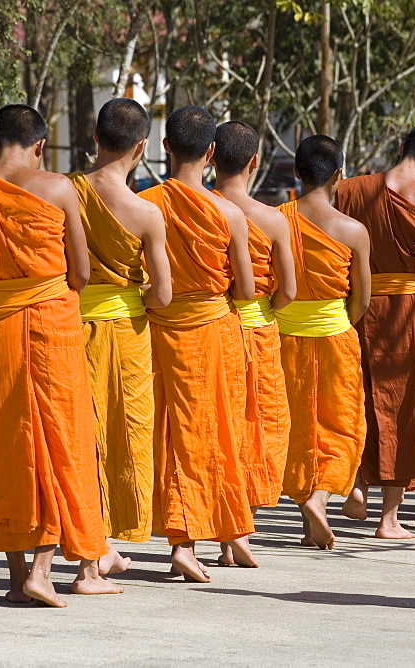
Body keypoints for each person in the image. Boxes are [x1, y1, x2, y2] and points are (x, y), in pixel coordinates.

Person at [0, 104, 120, 607]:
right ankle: (43, 570)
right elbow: (80, 272)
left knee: (7, 444)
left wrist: (2, 300)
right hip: (53, 327)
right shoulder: (57, 188)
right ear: (38, 146)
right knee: (61, 440)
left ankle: (17, 578)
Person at [138, 105, 257, 582]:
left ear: (164, 147)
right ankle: (227, 535)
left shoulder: (144, 205)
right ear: (212, 152)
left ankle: (187, 541)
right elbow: (246, 290)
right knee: (221, 433)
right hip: (214, 333)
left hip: (160, 332)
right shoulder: (228, 213)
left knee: (171, 436)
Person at [334, 122, 415, 539]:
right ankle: (389, 518)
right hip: (408, 314)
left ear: (402, 147)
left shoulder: (350, 189)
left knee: (359, 396)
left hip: (358, 308)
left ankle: (356, 486)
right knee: (406, 407)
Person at [67, 98, 172, 575]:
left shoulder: (64, 191)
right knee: (124, 431)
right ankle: (99, 543)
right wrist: (133, 299)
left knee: (79, 434)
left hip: (70, 327)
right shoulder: (146, 213)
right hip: (128, 332)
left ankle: (91, 542)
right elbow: (163, 296)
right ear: (142, 147)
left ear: (94, 138)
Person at [276, 135, 370, 549]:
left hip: (283, 336)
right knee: (343, 427)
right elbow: (361, 298)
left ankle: (305, 513)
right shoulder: (352, 230)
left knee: (296, 427)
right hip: (335, 336)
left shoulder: (274, 218)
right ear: (339, 176)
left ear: (296, 172)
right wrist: (334, 322)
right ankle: (320, 496)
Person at [212, 120, 297, 518]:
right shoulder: (273, 219)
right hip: (259, 326)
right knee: (264, 422)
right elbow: (289, 290)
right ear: (254, 161)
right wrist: (263, 310)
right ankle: (244, 517)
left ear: (210, 157)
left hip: (212, 324)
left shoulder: (199, 207)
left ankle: (226, 519)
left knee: (222, 420)